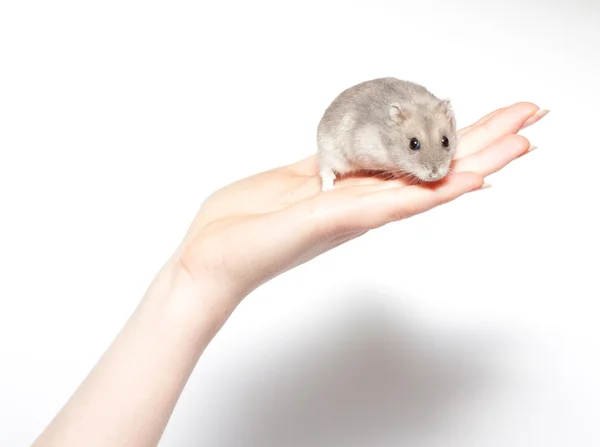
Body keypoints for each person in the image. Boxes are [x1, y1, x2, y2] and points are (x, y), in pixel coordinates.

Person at [30, 102, 547, 447]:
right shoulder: (377, 127)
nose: (435, 166)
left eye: (442, 147)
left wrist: (197, 279)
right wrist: (197, 274)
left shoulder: (430, 123)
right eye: (416, 149)